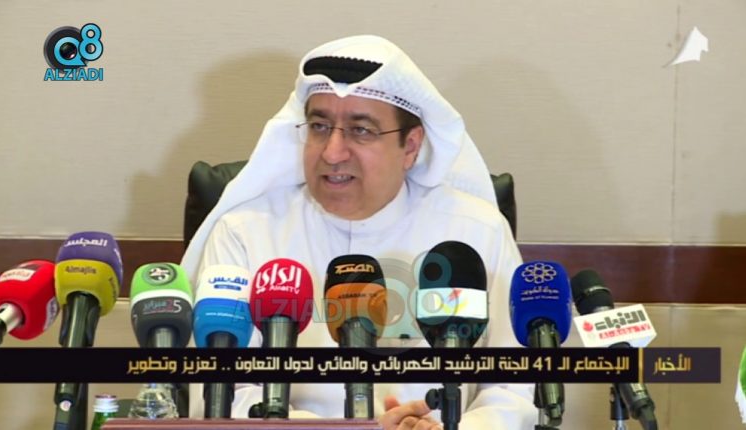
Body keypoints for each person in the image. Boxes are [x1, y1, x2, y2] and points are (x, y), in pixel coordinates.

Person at [181, 34, 536, 429]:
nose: (332, 152)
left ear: (410, 146)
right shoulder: (245, 233)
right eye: (319, 126)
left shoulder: (477, 232)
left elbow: (514, 385)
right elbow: (220, 390)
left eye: (361, 130)